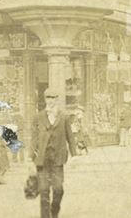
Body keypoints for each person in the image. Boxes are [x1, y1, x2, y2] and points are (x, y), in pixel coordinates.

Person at [31, 87, 78, 218]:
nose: (50, 101)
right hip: (42, 159)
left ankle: (54, 210)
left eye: (53, 98)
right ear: (45, 99)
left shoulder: (64, 117)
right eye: (48, 98)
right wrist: (30, 157)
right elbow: (34, 138)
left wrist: (74, 155)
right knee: (44, 190)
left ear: (57, 100)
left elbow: (70, 137)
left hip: (58, 159)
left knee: (58, 189)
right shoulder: (38, 117)